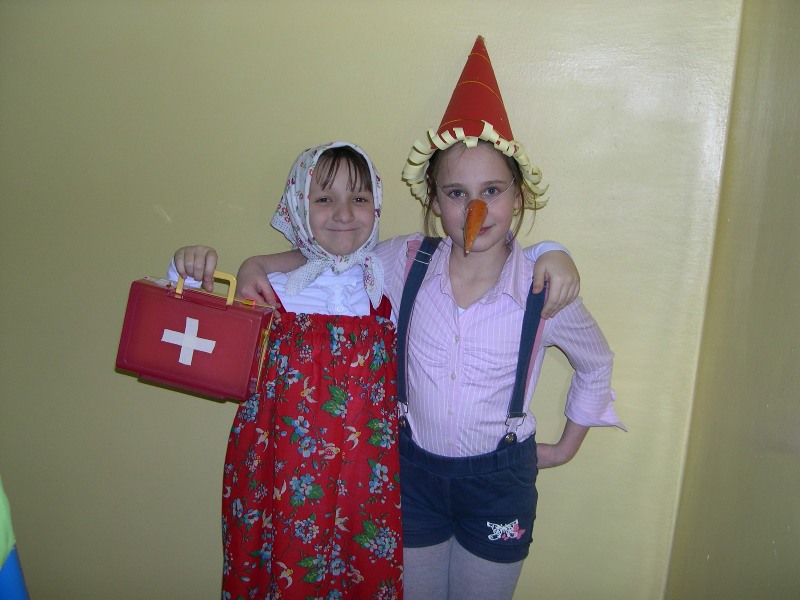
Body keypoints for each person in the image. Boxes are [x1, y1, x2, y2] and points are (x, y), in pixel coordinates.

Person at [233, 37, 624, 600]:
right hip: (411, 474)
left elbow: (596, 361)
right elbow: (335, 258)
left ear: (518, 197)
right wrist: (259, 265)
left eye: (493, 190)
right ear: (435, 202)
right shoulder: (403, 262)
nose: (476, 209)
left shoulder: (544, 288)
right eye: (457, 193)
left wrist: (565, 447)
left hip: (499, 485)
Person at [172, 142, 403, 599]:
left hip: (362, 480)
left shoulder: (385, 287)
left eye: (359, 198)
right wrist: (187, 270)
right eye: (324, 198)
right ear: (299, 205)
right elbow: (192, 331)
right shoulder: (266, 290)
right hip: (278, 476)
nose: (344, 213)